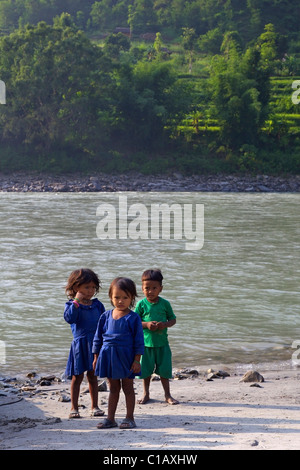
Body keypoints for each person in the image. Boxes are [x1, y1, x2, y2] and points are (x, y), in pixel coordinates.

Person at [93, 277, 144, 429]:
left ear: (132, 298)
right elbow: (98, 338)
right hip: (108, 357)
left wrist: (137, 360)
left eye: (125, 298)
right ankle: (110, 419)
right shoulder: (105, 316)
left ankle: (129, 418)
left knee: (128, 387)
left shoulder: (133, 318)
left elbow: (139, 341)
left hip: (126, 358)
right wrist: (96, 357)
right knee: (113, 388)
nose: (120, 301)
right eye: (117, 297)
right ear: (110, 297)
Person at [64, 268, 105, 419]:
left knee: (93, 376)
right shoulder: (71, 305)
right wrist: (76, 301)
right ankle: (74, 408)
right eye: (87, 287)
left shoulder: (97, 305)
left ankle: (95, 406)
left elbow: (104, 323)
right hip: (80, 346)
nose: (90, 291)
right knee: (77, 377)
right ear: (76, 288)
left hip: (95, 345)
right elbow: (69, 318)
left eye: (93, 287)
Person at [135, 268, 179, 405]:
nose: (150, 291)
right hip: (146, 345)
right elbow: (135, 322)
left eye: (154, 288)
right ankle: (146, 394)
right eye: (147, 288)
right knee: (146, 372)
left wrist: (164, 325)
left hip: (162, 344)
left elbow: (173, 320)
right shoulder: (141, 304)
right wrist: (147, 324)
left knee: (164, 371)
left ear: (160, 288)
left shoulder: (165, 304)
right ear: (142, 288)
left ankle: (167, 395)